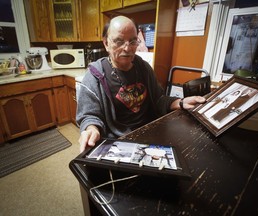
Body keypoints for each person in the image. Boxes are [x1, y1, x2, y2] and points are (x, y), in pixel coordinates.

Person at [76, 16, 206, 152]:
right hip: (117, 143)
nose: (127, 48)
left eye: (132, 41)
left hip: (150, 134)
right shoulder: (94, 76)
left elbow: (159, 100)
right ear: (106, 44)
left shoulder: (144, 68)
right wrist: (91, 129)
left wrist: (180, 102)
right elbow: (89, 116)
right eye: (119, 41)